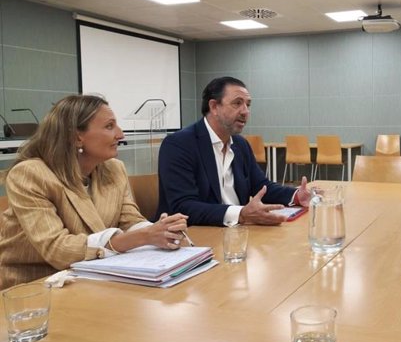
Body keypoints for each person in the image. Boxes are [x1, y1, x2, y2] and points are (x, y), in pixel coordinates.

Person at [0, 95, 188, 290]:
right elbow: (57, 249)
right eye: (109, 126)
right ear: (76, 137)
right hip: (36, 287)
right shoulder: (30, 174)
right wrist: (144, 236)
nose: (120, 134)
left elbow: (130, 220)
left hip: (93, 277)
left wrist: (160, 230)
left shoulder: (114, 168)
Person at [157, 76, 311, 226]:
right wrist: (240, 214)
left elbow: (261, 186)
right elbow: (183, 206)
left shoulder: (240, 144)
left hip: (239, 233)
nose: (245, 112)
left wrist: (296, 195)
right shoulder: (179, 144)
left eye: (248, 105)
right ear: (214, 107)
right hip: (197, 236)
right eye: (237, 103)